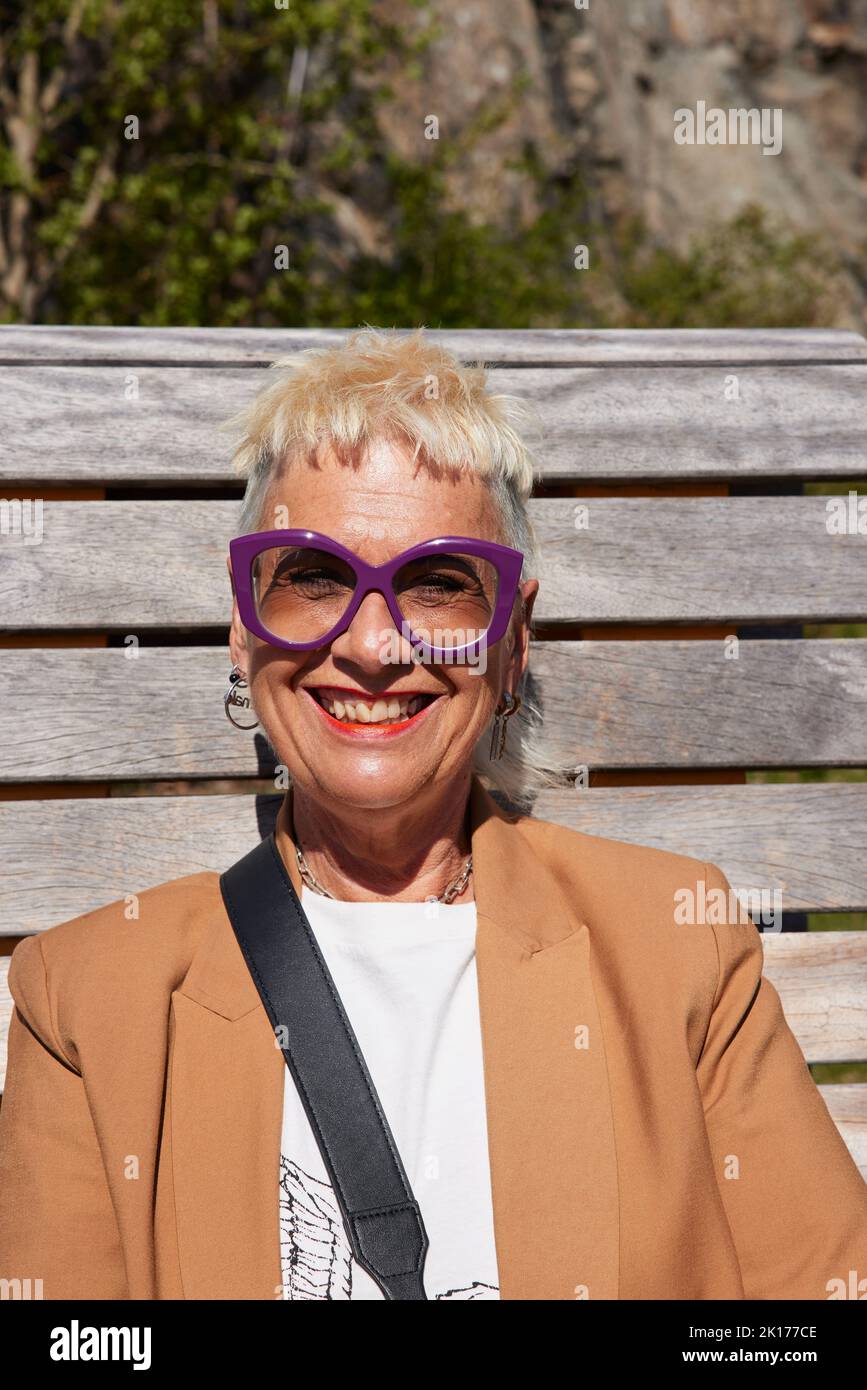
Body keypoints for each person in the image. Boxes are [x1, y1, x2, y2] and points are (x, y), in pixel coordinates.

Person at [1, 327, 865, 1300]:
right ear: (245, 624)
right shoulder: (84, 1000)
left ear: (514, 640)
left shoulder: (679, 949)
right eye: (314, 576)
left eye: (438, 582)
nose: (372, 646)